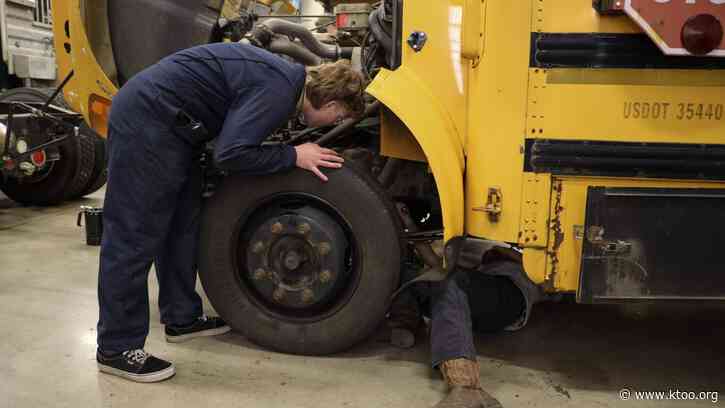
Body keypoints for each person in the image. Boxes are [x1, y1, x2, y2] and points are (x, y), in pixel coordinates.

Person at [95, 42, 366, 383]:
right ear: (330, 103)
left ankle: (182, 318)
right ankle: (116, 347)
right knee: (134, 235)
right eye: (338, 117)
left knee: (182, 227)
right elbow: (232, 154)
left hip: (177, 130)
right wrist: (292, 156)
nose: (332, 124)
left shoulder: (287, 83)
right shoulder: (280, 90)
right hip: (147, 120)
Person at [391, 239, 539, 408]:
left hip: (509, 293)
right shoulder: (466, 243)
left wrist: (505, 253)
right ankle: (407, 321)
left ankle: (466, 387)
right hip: (471, 294)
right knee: (407, 273)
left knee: (449, 281)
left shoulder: (527, 250)